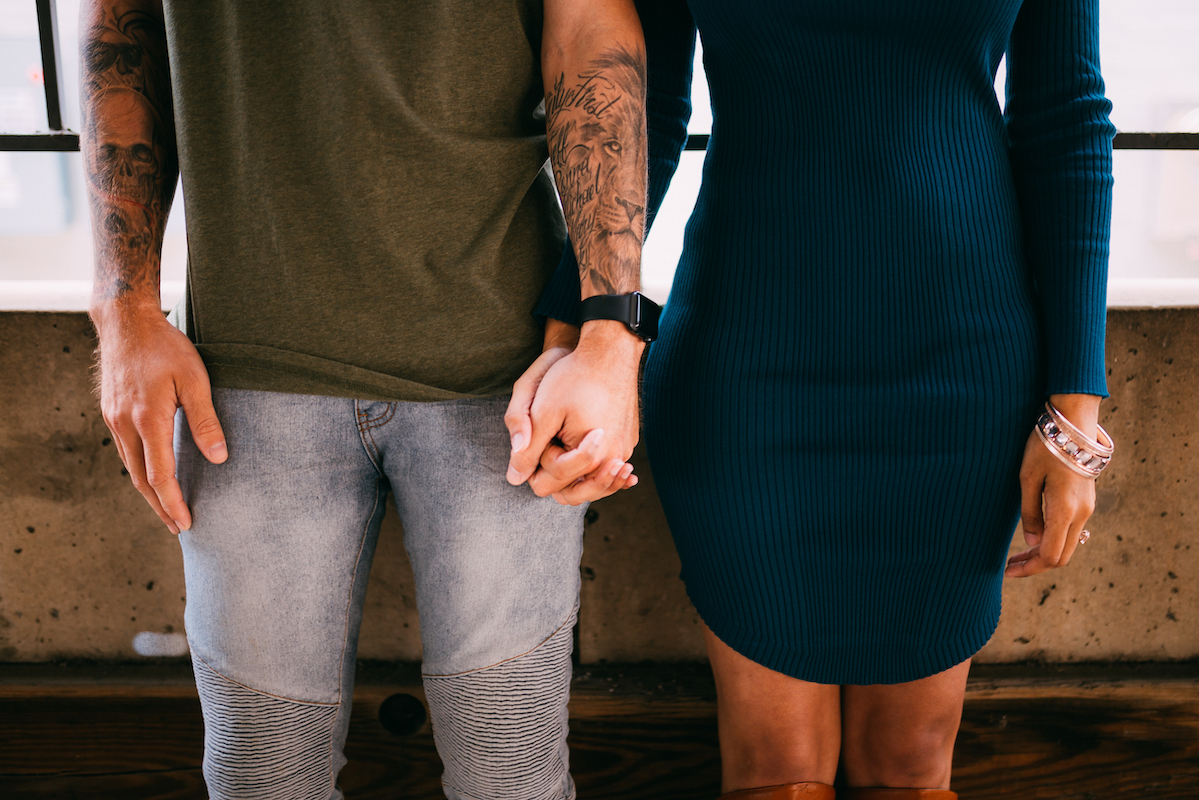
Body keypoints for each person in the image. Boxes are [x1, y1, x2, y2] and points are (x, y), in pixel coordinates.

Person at [543, 0, 1116, 797]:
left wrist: (1075, 407)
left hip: (965, 379)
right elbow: (643, 105)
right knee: (773, 769)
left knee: (910, 766)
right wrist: (575, 331)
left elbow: (1065, 118)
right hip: (743, 372)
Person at [81, 1, 651, 798]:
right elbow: (123, 27)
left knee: (510, 775)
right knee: (259, 779)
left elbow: (590, 29)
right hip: (247, 373)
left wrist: (610, 330)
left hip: (505, 376)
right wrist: (123, 306)